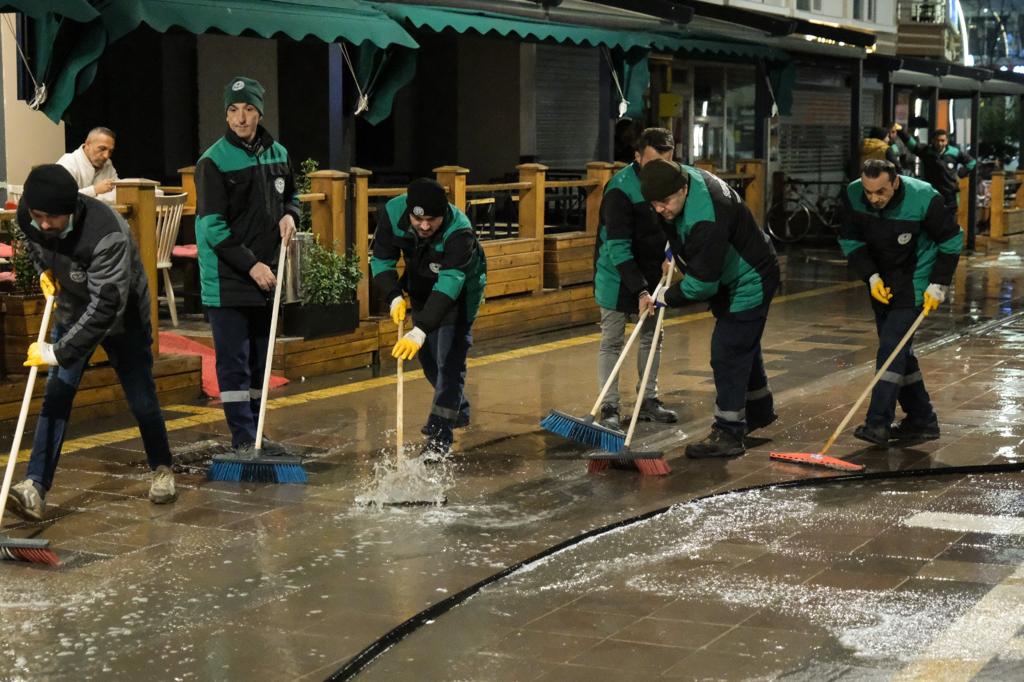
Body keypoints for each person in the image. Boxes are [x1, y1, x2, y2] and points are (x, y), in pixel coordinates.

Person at [5, 164, 176, 522]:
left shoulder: (105, 233)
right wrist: (44, 272)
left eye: (53, 218)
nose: (46, 225)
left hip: (121, 317)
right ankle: (34, 487)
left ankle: (162, 468)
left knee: (142, 398)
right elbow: (33, 243)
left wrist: (59, 352)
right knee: (56, 396)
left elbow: (106, 307)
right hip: (71, 308)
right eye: (39, 217)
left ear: (72, 209)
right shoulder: (30, 216)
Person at [642, 160, 779, 459]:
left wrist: (667, 296)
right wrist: (675, 248)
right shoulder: (683, 178)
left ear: (682, 189)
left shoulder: (708, 215)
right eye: (654, 204)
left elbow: (702, 285)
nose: (660, 209)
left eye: (665, 202)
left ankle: (729, 433)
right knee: (743, 344)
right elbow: (678, 226)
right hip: (731, 274)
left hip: (748, 278)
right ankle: (759, 410)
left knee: (728, 352)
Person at [195, 76, 297, 456]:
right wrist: (251, 265)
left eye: (248, 109)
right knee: (234, 361)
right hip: (228, 277)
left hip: (266, 274)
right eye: (234, 110)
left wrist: (290, 215)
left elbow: (292, 196)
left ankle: (254, 433)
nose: (241, 118)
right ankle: (241, 437)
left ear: (259, 112)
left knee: (259, 359)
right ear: (226, 113)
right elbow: (211, 228)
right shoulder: (213, 161)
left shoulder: (279, 153)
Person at [837, 159, 961, 445]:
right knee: (899, 352)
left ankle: (877, 423)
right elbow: (850, 241)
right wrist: (871, 277)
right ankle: (922, 420)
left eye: (880, 191)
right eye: (868, 192)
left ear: (895, 181)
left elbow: (952, 240)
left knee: (891, 349)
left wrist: (937, 284)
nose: (873, 198)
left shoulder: (924, 198)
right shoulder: (853, 195)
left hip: (916, 280)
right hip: (883, 281)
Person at [371, 178, 487, 459]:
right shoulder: (392, 212)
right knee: (429, 362)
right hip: (421, 289)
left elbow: (450, 283)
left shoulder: (459, 231)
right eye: (418, 219)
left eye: (431, 221)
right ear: (409, 211)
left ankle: (439, 439)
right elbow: (381, 259)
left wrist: (420, 329)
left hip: (457, 294)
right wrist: (394, 296)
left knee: (449, 362)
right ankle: (457, 408)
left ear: (443, 213)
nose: (424, 226)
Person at [593, 127, 679, 430]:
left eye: (667, 160)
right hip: (617, 274)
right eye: (654, 161)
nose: (661, 168)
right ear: (637, 157)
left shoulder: (672, 179)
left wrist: (674, 257)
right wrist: (640, 289)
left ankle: (648, 399)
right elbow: (617, 246)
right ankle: (609, 406)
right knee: (612, 341)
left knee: (652, 338)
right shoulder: (620, 189)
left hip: (656, 272)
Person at [897, 127, 976, 220]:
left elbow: (972, 162)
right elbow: (912, 145)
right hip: (931, 192)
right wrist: (900, 131)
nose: (940, 143)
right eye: (937, 140)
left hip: (950, 194)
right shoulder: (926, 151)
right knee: (931, 220)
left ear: (947, 141)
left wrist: (962, 173)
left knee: (950, 223)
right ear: (932, 141)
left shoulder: (954, 152)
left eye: (943, 140)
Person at [56, 127, 120, 202]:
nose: (106, 156)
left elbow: (118, 192)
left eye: (110, 151)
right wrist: (95, 190)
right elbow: (61, 197)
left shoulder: (107, 163)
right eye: (102, 149)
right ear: (88, 144)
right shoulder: (68, 163)